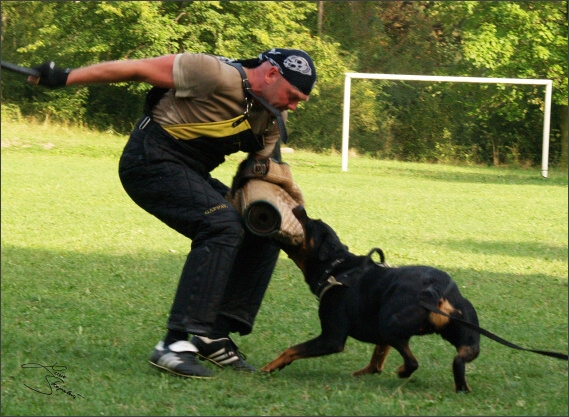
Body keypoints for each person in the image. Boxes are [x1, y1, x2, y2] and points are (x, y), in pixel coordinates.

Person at [28, 48, 316, 378]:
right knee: (221, 224)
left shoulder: (271, 118)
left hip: (192, 171)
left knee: (264, 229)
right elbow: (137, 67)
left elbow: (261, 175)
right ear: (270, 74)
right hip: (149, 161)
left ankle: (212, 334)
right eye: (292, 96)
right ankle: (173, 345)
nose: (293, 105)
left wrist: (286, 210)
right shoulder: (212, 73)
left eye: (299, 101)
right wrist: (64, 77)